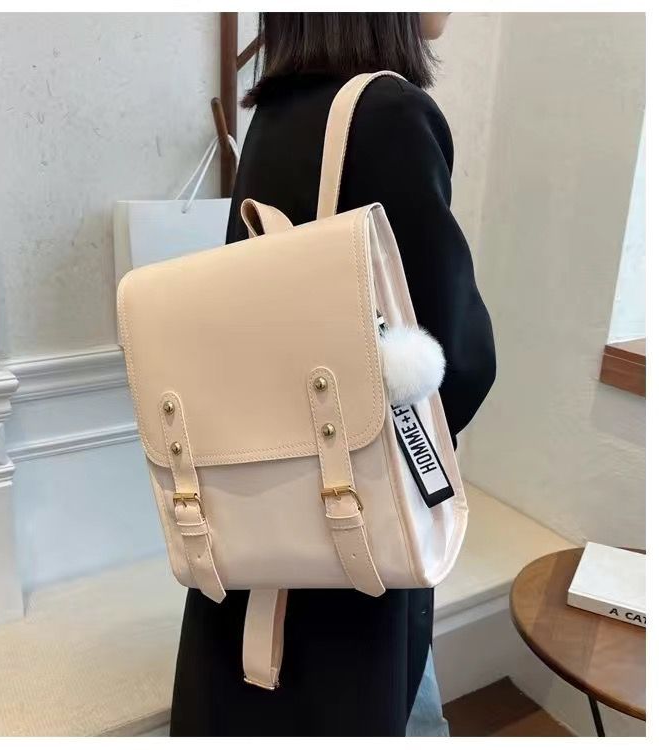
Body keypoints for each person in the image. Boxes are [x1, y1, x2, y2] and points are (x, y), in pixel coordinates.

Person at [170, 12, 496, 737]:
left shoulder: (274, 114)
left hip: (262, 515)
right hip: (349, 535)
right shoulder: (390, 114)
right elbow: (455, 363)